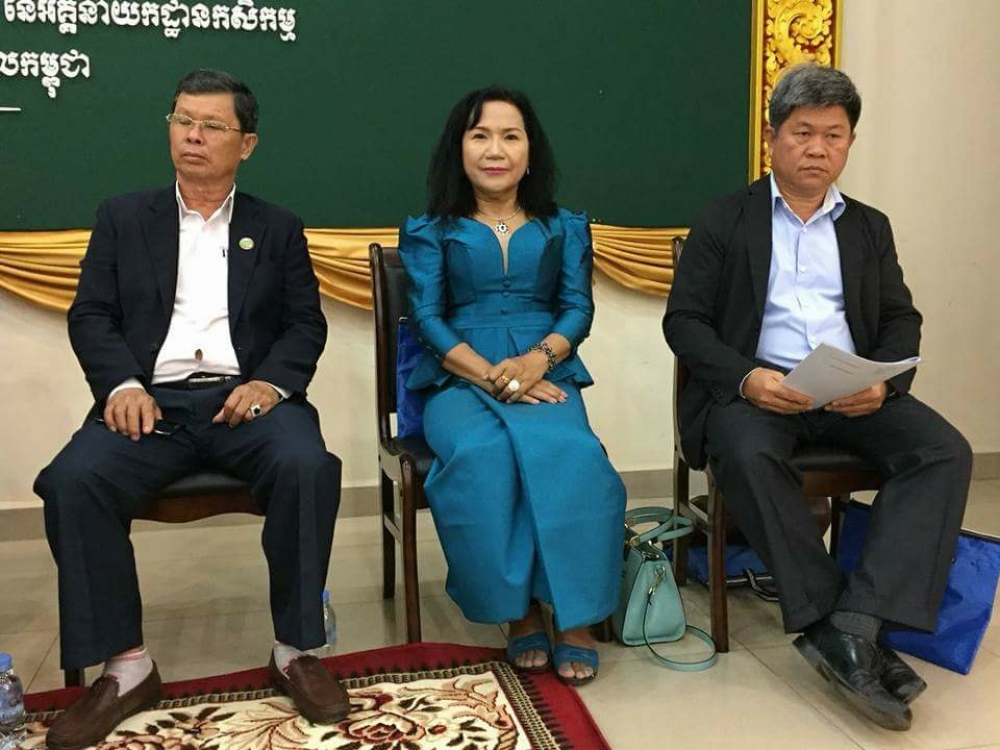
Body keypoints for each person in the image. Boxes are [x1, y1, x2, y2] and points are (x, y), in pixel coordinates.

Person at [34, 69, 348, 750]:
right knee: (73, 480)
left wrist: (271, 385)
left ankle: (296, 650)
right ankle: (126, 665)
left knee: (309, 465)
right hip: (150, 403)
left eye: (211, 125)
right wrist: (120, 385)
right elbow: (92, 314)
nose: (193, 136)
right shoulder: (123, 218)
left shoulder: (277, 227)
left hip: (246, 402)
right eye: (182, 120)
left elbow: (304, 323)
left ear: (247, 144)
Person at [664, 63, 971, 730]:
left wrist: (883, 381)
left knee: (944, 451)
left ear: (850, 143)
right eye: (803, 133)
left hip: (850, 390)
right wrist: (747, 378)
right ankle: (840, 625)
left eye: (834, 136)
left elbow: (901, 318)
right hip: (761, 391)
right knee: (746, 452)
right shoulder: (725, 218)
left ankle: (857, 619)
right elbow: (684, 322)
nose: (817, 149)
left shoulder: (868, 226)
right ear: (772, 137)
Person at [398, 87, 626, 686]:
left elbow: (577, 310)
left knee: (575, 454)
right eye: (480, 136)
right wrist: (495, 376)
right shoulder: (429, 229)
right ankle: (519, 612)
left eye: (509, 136)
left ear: (530, 151)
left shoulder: (565, 226)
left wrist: (535, 362)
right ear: (459, 148)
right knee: (483, 455)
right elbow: (427, 318)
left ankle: (574, 617)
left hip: (546, 370)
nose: (494, 150)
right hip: (457, 376)